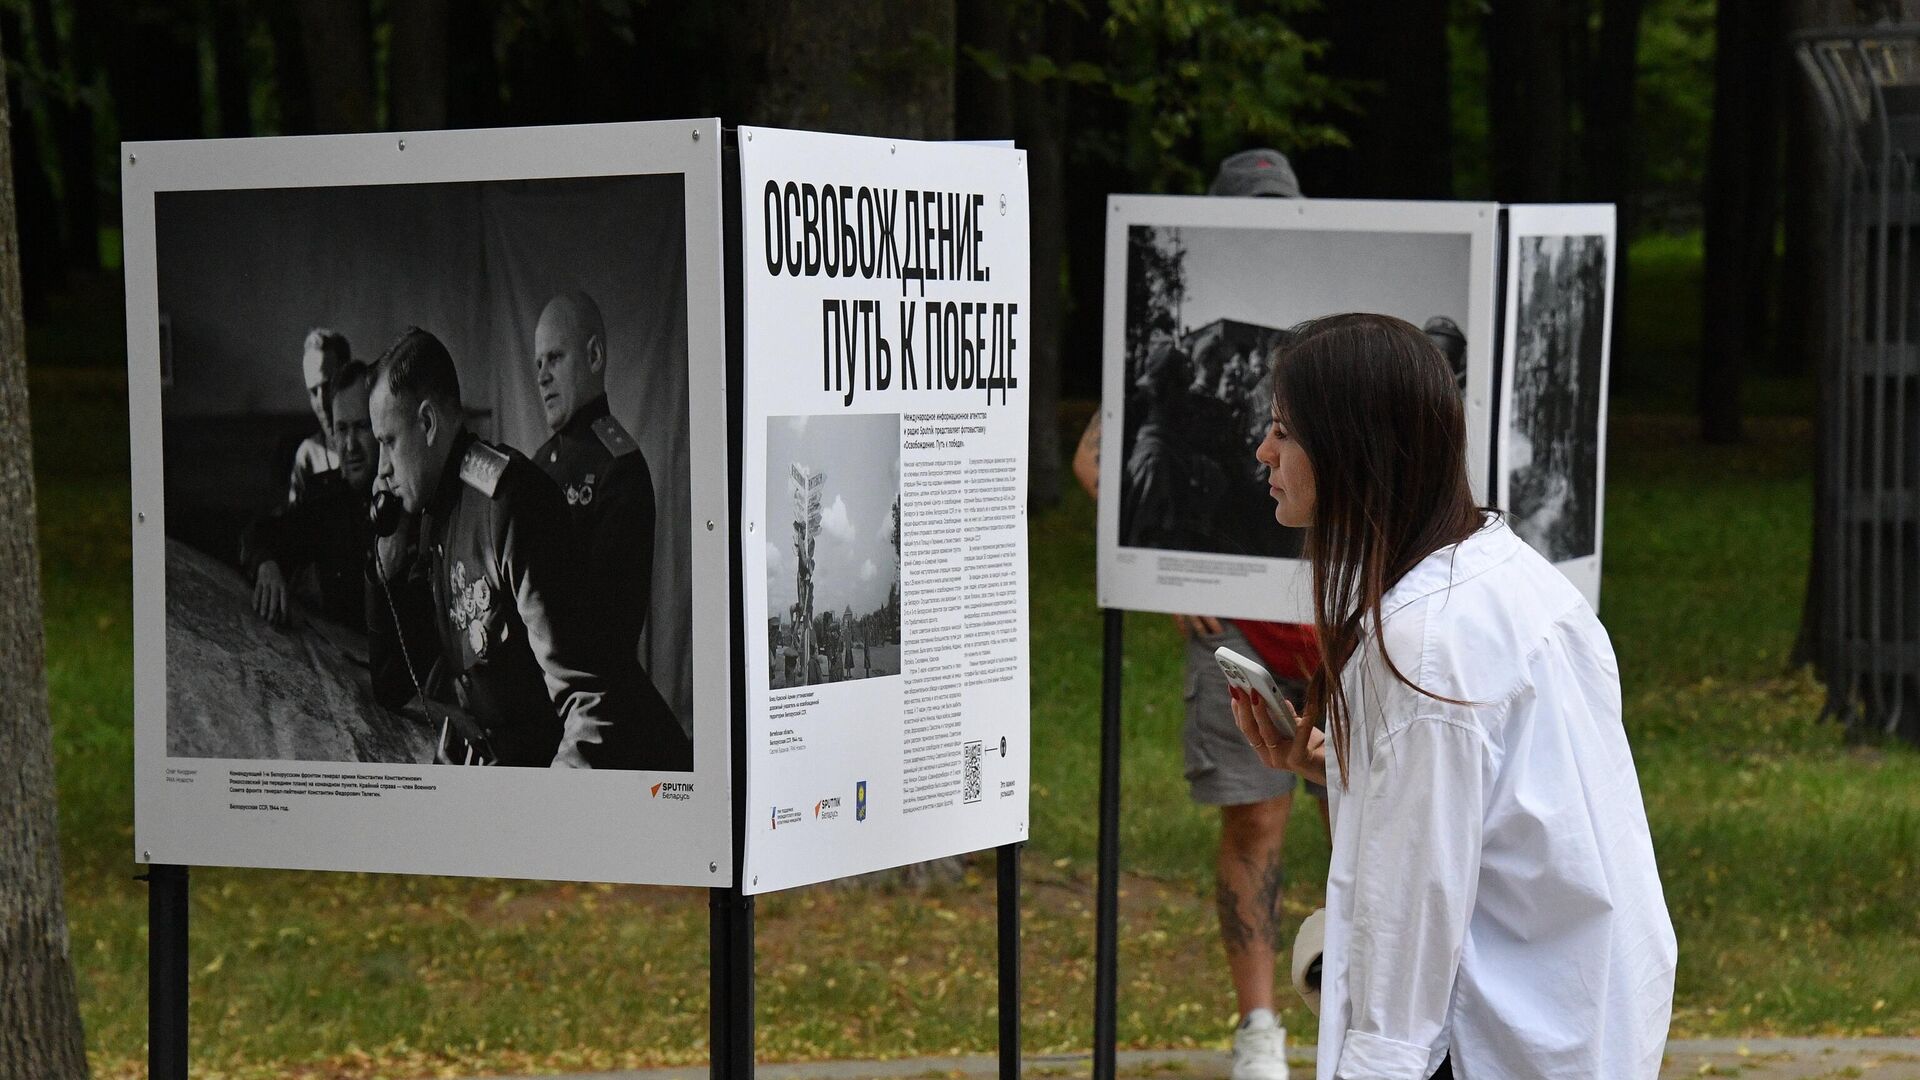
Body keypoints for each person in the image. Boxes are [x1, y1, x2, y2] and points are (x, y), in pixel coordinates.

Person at [1231, 313, 1676, 1079]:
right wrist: (1341, 768)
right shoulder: (1508, 575)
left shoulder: (1423, 646)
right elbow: (1499, 807)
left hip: (1501, 1042)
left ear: (1350, 450)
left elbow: (1410, 916)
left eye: (1284, 432)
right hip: (1582, 1018)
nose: (1265, 453)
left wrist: (1372, 1063)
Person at [1072, 147, 1325, 1080]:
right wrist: (1174, 570)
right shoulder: (1188, 342)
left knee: (1370, 825)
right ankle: (1261, 1032)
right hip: (1242, 635)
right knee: (1255, 823)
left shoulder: (1337, 339)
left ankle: (1362, 1008)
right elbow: (1099, 460)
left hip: (1346, 630)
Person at [365, 326, 679, 769]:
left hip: (624, 775)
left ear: (428, 423)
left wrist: (540, 816)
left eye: (388, 443)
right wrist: (385, 567)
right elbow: (392, 684)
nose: (382, 470)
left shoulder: (507, 504)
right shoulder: (431, 515)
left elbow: (591, 702)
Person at [524, 290, 690, 769]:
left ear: (594, 356)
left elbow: (608, 640)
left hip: (596, 717)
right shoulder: (536, 467)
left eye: (555, 357)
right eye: (537, 363)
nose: (542, 375)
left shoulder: (621, 470)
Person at [242, 359, 380, 628]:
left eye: (362, 426)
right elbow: (260, 533)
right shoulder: (325, 498)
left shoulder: (409, 499)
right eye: (342, 429)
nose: (350, 445)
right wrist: (267, 565)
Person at [290, 329, 351, 505]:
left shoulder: (374, 443)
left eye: (328, 386)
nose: (321, 403)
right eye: (313, 392)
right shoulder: (308, 456)